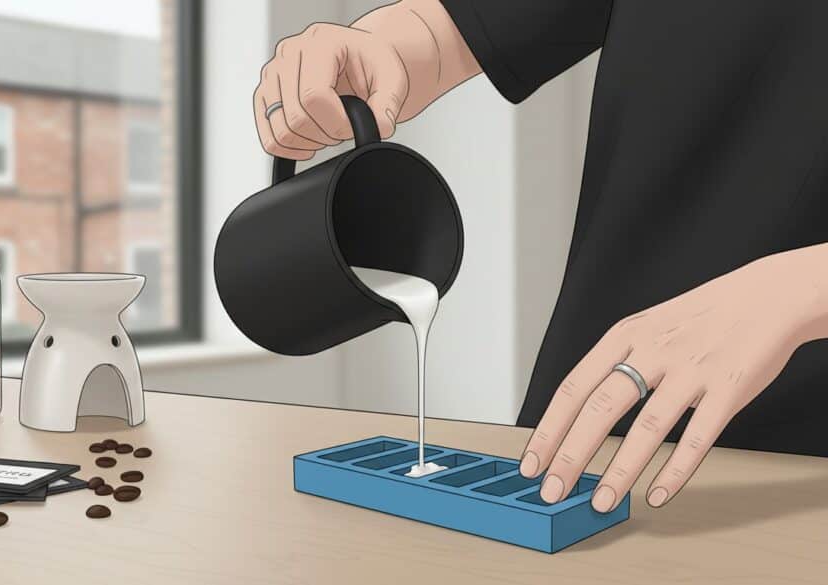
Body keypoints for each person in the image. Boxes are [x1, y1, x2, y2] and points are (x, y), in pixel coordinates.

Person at [252, 0, 828, 514]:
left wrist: (799, 288)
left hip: (793, 490)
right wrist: (382, 48)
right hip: (579, 440)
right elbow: (456, 28)